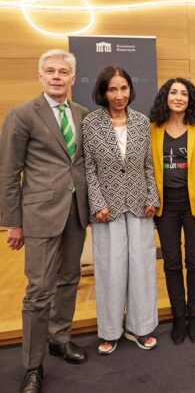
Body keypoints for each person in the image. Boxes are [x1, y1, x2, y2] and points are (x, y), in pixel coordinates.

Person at [0, 49, 89, 393]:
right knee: (38, 292)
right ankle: (33, 366)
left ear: (72, 78)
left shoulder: (82, 114)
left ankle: (60, 338)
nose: (56, 76)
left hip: (75, 213)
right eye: (49, 71)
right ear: (40, 77)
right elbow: (9, 171)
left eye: (62, 71)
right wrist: (13, 222)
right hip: (38, 216)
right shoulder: (22, 114)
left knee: (69, 280)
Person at [82, 66, 160, 354]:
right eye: (112, 89)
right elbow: (88, 169)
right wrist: (98, 203)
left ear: (130, 90)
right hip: (107, 210)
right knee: (111, 270)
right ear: (103, 91)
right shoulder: (91, 123)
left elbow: (148, 165)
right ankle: (110, 330)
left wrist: (153, 196)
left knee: (142, 269)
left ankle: (141, 327)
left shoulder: (142, 121)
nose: (118, 95)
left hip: (141, 207)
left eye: (123, 88)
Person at [149, 78, 195, 343]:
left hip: (193, 204)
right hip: (165, 207)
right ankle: (178, 316)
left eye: (184, 93)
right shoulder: (152, 129)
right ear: (165, 97)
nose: (178, 97)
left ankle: (194, 315)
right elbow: (147, 170)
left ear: (191, 99)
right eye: (173, 92)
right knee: (172, 262)